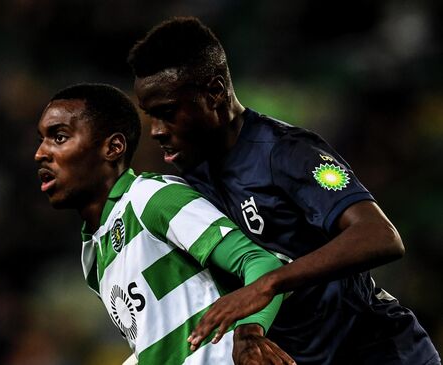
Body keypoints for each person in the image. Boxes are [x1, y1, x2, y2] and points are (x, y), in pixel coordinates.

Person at [127, 16, 441, 365]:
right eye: (150, 115)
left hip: (378, 351)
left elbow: (380, 236)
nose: (156, 130)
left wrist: (268, 284)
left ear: (215, 93)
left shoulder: (285, 152)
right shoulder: (189, 182)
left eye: (167, 113)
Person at [35, 83, 296, 364]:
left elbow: (262, 263)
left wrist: (250, 334)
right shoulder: (93, 258)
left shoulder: (150, 198)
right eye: (42, 139)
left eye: (59, 137)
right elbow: (159, 344)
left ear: (113, 148)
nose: (40, 153)